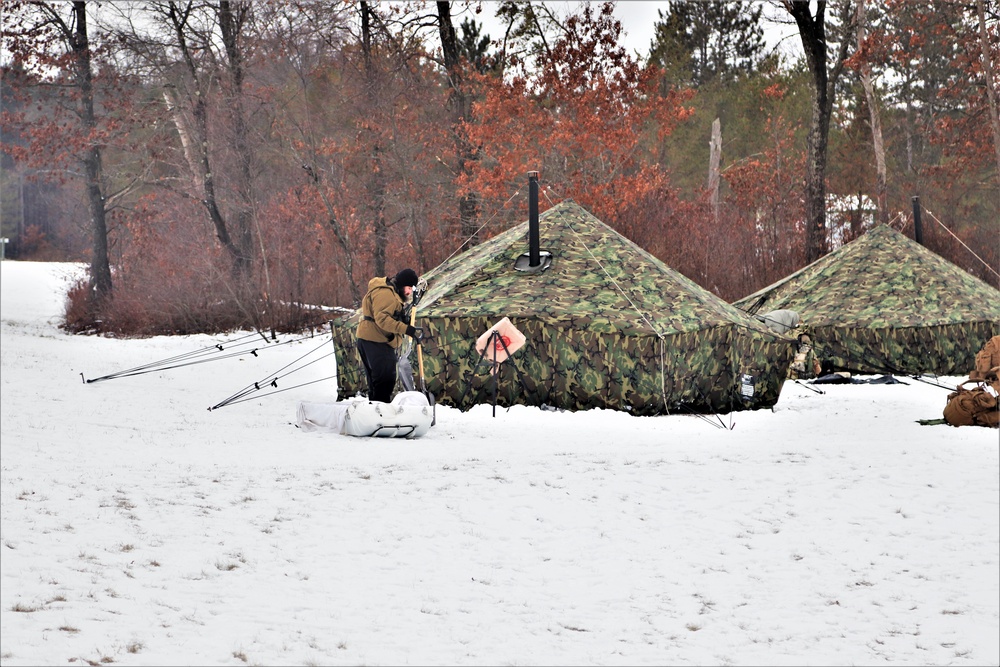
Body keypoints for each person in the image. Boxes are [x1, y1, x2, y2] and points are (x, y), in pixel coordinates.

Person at [356, 268, 425, 403]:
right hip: (375, 340)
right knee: (385, 380)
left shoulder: (391, 293)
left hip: (374, 339)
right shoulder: (385, 293)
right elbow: (382, 319)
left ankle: (375, 411)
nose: (409, 292)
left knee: (378, 382)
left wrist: (401, 319)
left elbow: (388, 315)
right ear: (401, 284)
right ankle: (381, 413)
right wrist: (405, 329)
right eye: (409, 287)